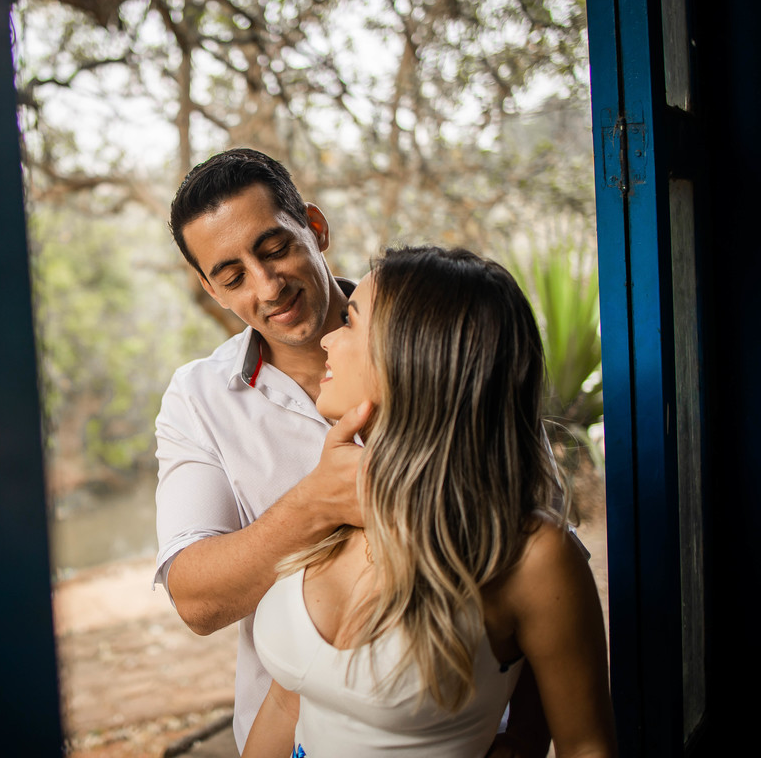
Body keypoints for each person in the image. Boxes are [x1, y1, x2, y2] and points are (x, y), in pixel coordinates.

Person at [153, 149, 548, 755]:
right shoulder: (199, 400)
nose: (268, 286)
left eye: (275, 248)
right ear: (210, 290)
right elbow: (196, 600)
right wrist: (316, 505)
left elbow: (539, 575)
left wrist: (514, 745)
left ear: (314, 227)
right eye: (232, 277)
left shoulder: (438, 344)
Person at [242, 246, 616, 757]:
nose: (329, 337)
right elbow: (288, 705)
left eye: (350, 322)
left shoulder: (532, 556)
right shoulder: (332, 507)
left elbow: (587, 747)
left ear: (413, 356)